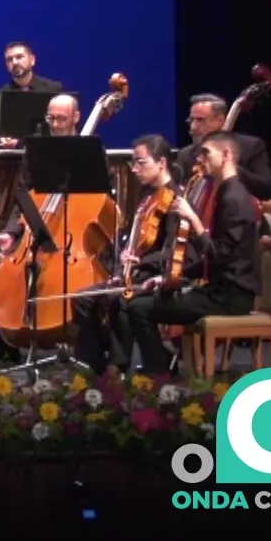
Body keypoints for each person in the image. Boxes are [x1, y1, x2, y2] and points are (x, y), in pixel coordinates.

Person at [116, 132, 264, 373]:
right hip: (218, 291)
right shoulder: (226, 192)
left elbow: (220, 256)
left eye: (207, 153)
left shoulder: (235, 197)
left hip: (230, 298)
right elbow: (212, 259)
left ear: (226, 156)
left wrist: (194, 220)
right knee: (139, 302)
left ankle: (159, 375)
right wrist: (168, 279)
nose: (200, 158)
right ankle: (159, 367)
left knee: (137, 308)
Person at [76, 134, 179, 374]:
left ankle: (116, 364)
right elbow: (137, 241)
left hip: (156, 275)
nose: (134, 169)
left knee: (116, 298)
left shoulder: (174, 200)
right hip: (136, 272)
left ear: (162, 163)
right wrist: (123, 265)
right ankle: (93, 364)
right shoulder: (148, 196)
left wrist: (139, 262)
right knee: (83, 297)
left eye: (140, 162)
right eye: (133, 162)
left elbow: (172, 251)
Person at [175, 93, 271, 199]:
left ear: (220, 120)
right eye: (191, 120)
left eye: (200, 120)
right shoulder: (185, 154)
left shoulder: (251, 146)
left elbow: (266, 189)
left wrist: (229, 166)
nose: (193, 127)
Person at [0, 41, 64, 147]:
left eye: (19, 57)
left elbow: (61, 129)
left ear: (32, 60)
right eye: (9, 59)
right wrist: (0, 141)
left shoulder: (53, 89)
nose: (14, 62)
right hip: (13, 159)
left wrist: (20, 142)